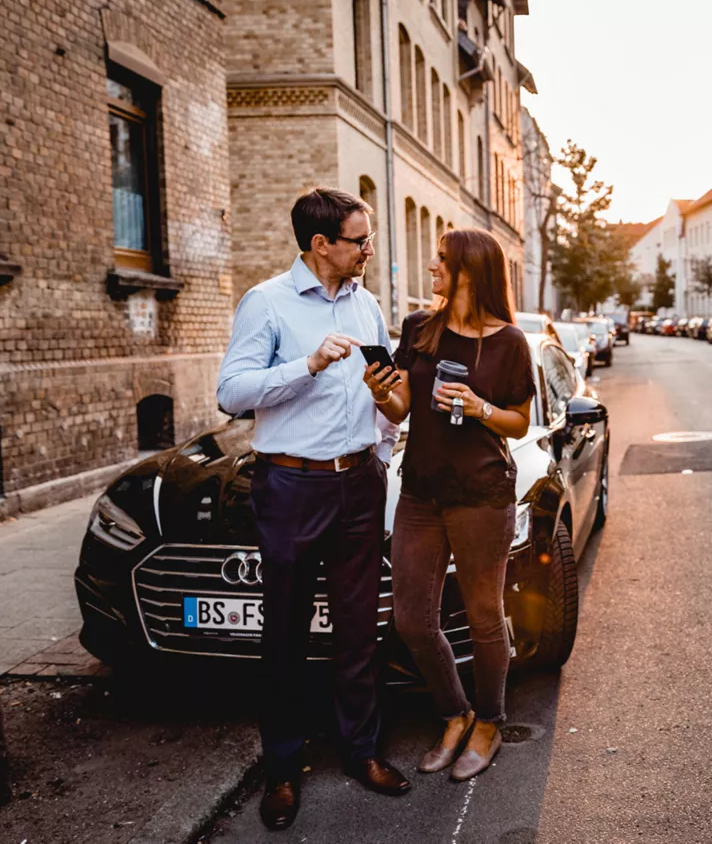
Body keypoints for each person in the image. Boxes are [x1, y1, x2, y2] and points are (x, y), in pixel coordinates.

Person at [217, 188, 410, 832]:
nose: (368, 249)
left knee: (359, 631)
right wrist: (307, 363)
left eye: (368, 237)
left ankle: (362, 753)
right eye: (359, 240)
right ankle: (281, 769)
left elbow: (389, 394)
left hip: (359, 484)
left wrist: (382, 438)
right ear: (320, 244)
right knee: (287, 634)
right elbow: (232, 392)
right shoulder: (267, 302)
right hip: (292, 488)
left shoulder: (369, 305)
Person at [363, 228, 535, 782]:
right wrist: (378, 390)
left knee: (484, 615)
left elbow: (519, 421)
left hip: (482, 495)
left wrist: (480, 406)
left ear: (469, 270)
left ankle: (489, 722)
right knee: (412, 618)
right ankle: (455, 712)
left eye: (441, 260)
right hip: (420, 492)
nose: (432, 267)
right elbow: (399, 408)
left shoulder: (509, 341)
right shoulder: (420, 328)